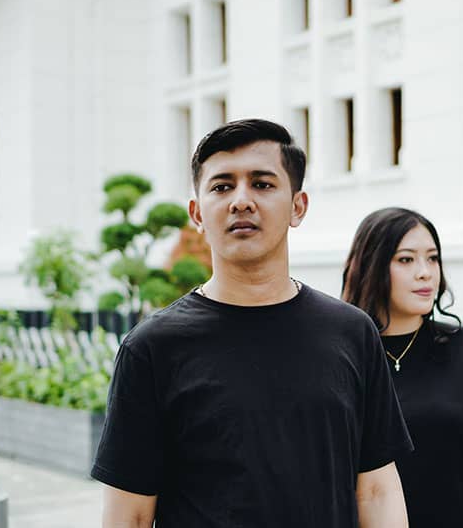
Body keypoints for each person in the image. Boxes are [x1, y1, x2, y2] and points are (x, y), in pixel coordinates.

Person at [92, 119, 413, 527]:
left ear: (298, 207)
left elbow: (376, 490)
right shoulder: (152, 348)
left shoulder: (351, 333)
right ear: (197, 213)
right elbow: (131, 515)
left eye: (262, 184)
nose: (241, 201)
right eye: (222, 186)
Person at [342, 207, 463, 528]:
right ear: (372, 265)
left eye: (433, 258)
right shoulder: (345, 357)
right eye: (406, 259)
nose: (425, 273)